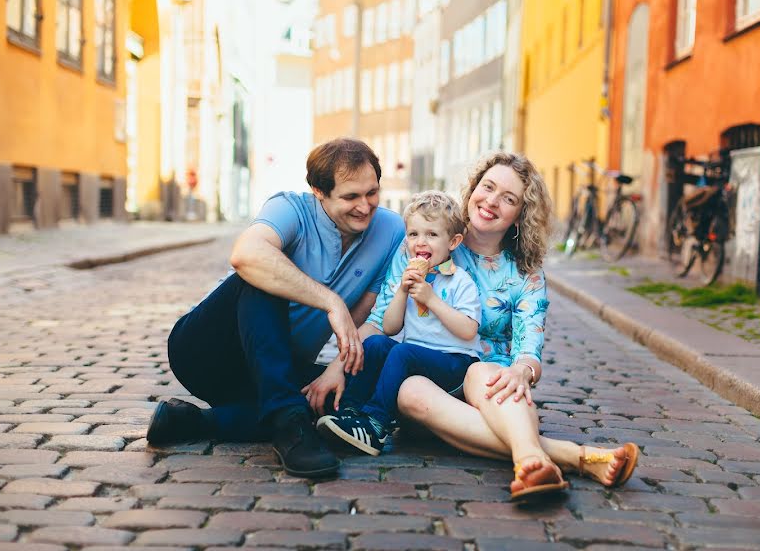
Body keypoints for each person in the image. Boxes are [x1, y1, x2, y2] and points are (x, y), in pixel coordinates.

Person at [365, 151, 639, 499]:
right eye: (488, 187)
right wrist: (336, 368)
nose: (491, 201)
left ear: (520, 215)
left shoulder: (526, 274)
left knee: (484, 371)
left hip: (493, 390)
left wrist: (522, 371)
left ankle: (529, 463)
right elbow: (379, 321)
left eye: (508, 199)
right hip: (429, 384)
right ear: (473, 188)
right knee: (408, 389)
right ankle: (569, 455)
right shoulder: (428, 238)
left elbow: (529, 346)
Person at [145, 138, 405, 478]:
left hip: (274, 370)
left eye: (372, 193)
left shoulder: (390, 229)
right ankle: (290, 423)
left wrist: (337, 368)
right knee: (259, 274)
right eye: (350, 197)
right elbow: (246, 254)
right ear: (319, 192)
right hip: (206, 351)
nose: (365, 206)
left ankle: (195, 422)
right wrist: (331, 302)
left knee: (354, 396)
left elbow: (368, 314)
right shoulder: (289, 208)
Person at [317, 191, 482, 456]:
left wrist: (432, 300)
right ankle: (350, 411)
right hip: (417, 358)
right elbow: (391, 327)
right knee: (377, 343)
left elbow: (468, 330)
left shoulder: (460, 281)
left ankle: (375, 424)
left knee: (401, 352)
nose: (421, 242)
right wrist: (402, 292)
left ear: (453, 241)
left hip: (456, 364)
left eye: (432, 234)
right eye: (414, 234)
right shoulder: (408, 278)